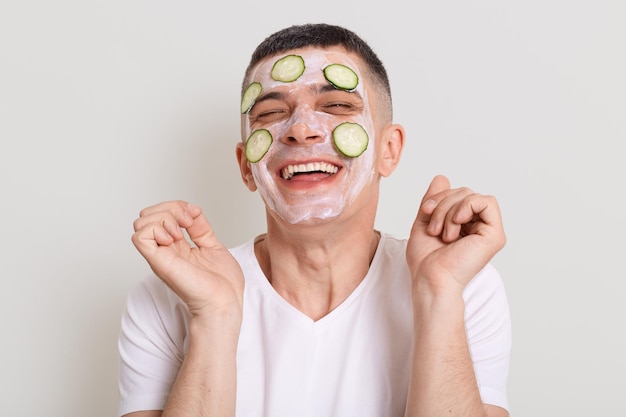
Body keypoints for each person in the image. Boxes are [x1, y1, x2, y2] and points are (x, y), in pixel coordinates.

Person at [118, 23, 511, 417]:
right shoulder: (167, 298)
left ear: (388, 151)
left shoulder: (463, 287)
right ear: (246, 167)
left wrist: (437, 294)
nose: (301, 130)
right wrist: (214, 316)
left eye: (338, 106)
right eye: (271, 112)